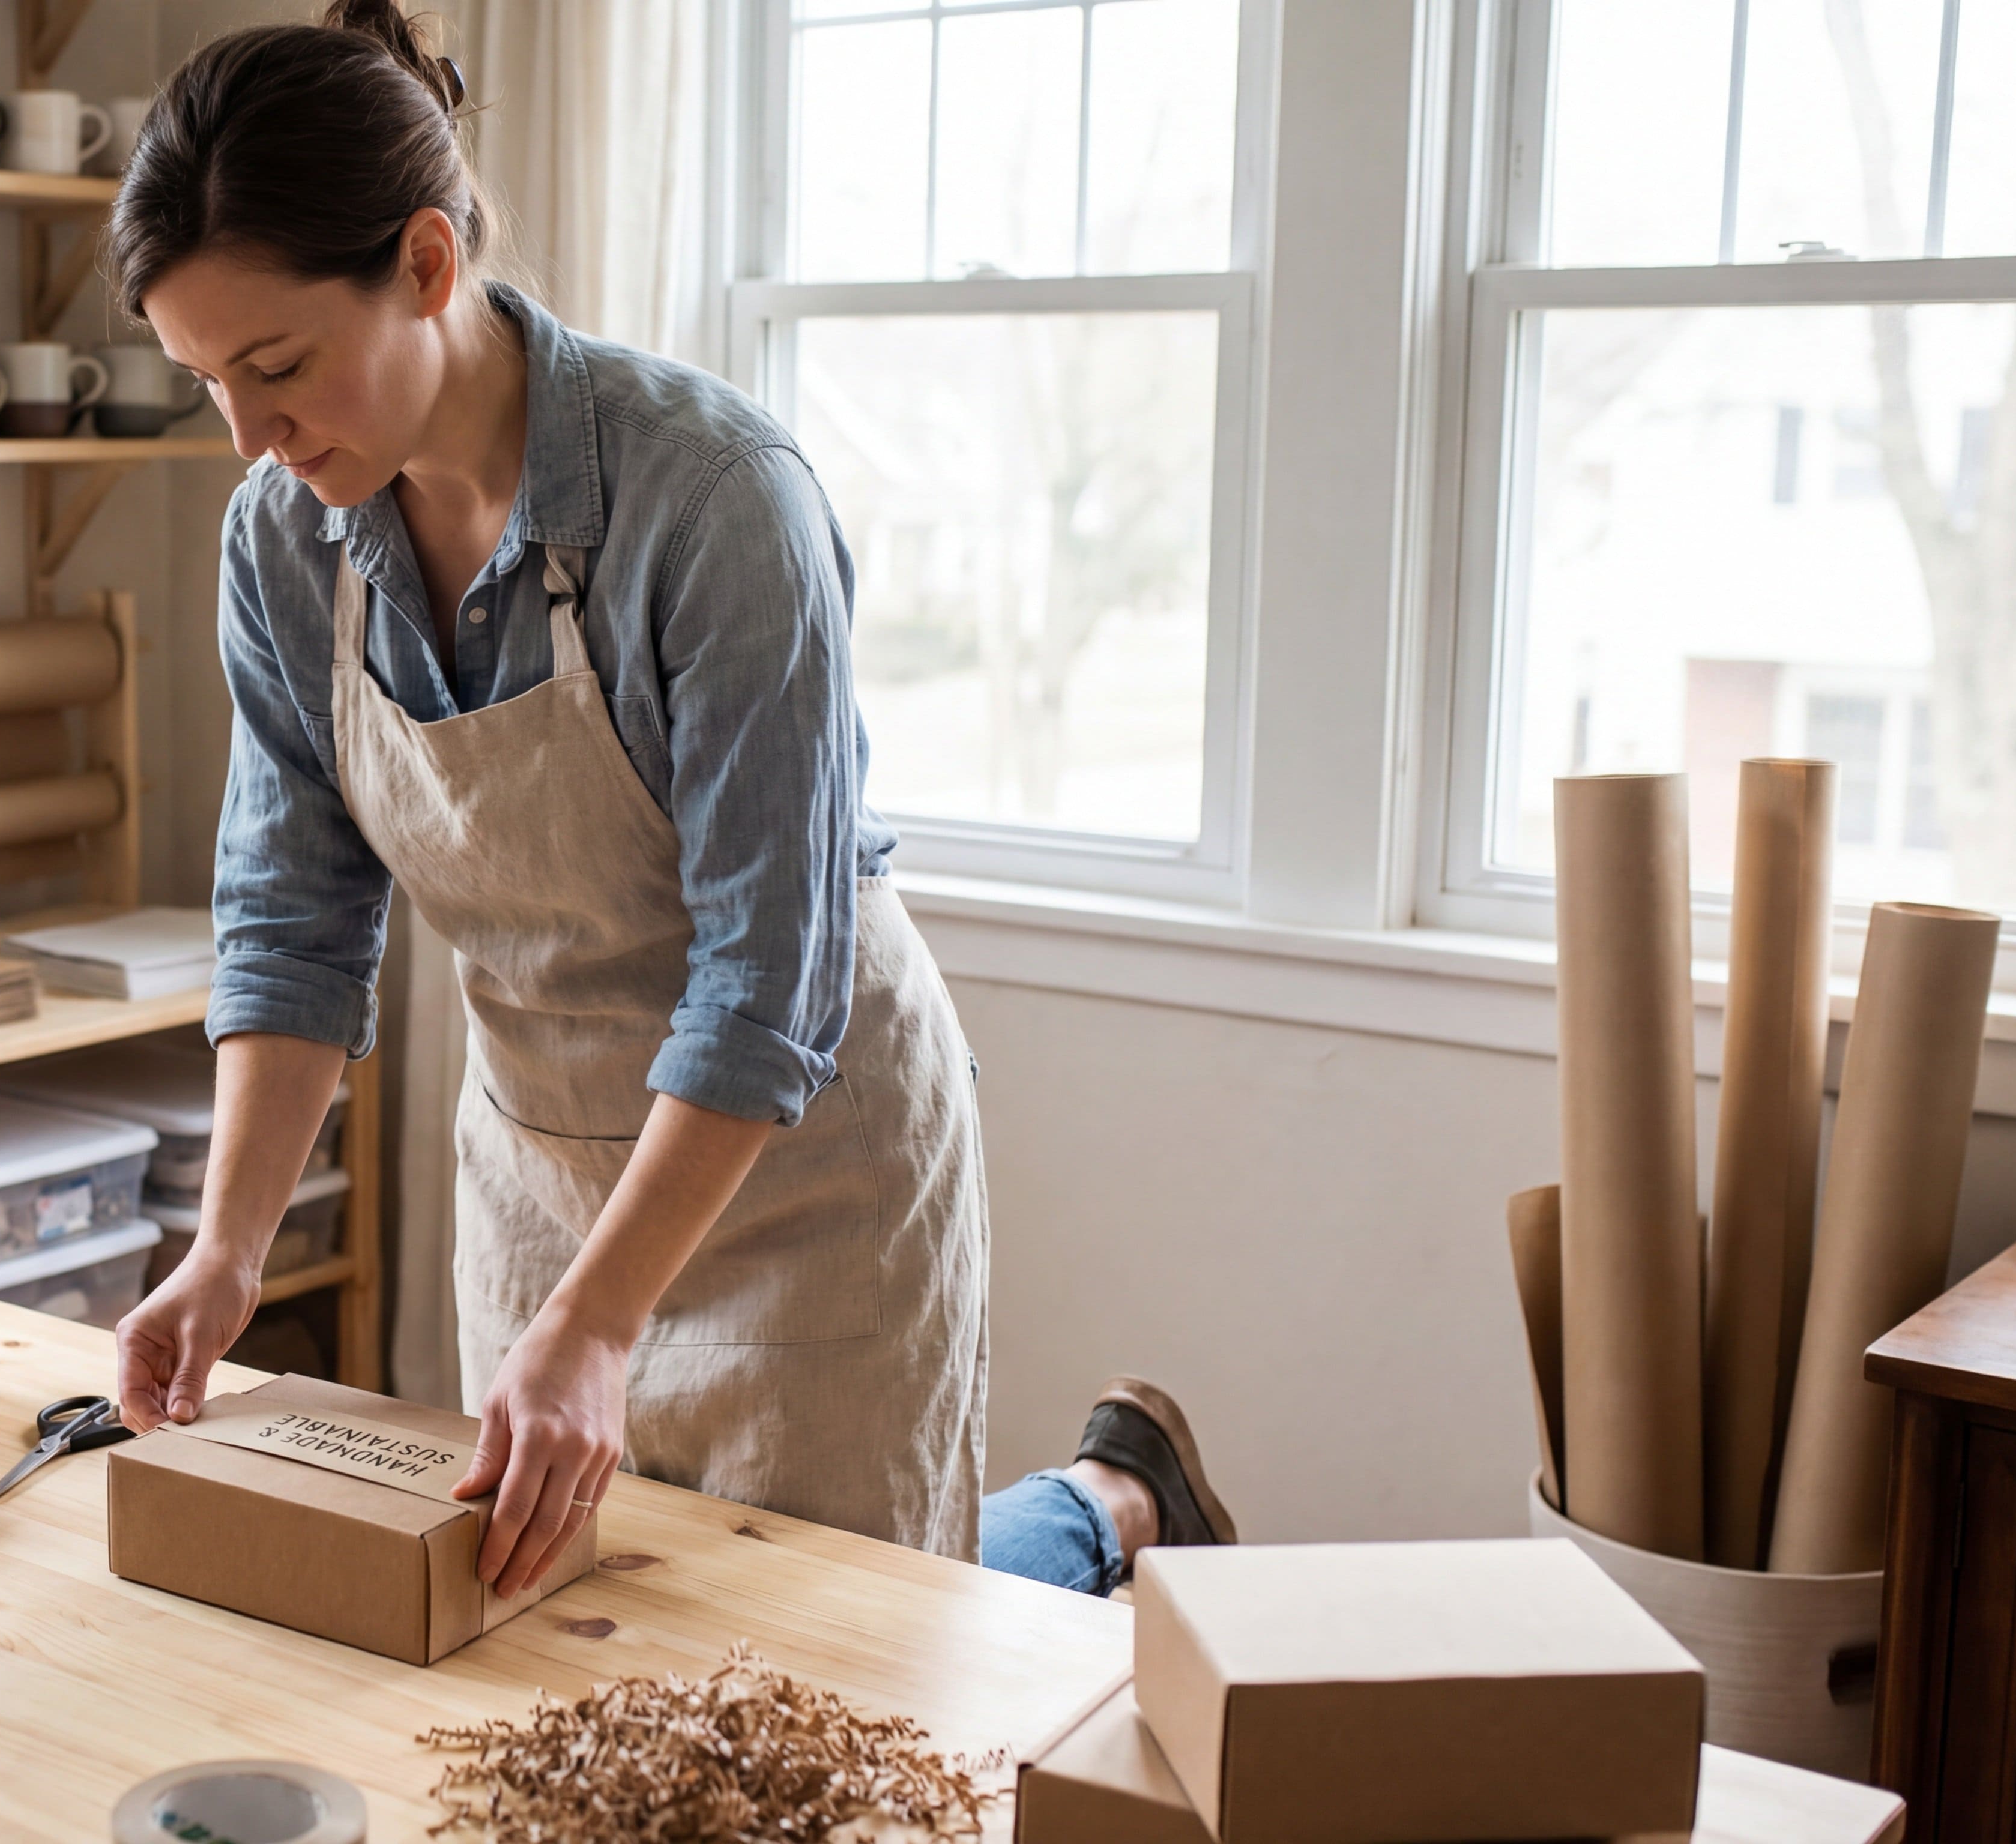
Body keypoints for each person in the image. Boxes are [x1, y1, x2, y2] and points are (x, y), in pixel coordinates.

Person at [104, 0, 1234, 1600]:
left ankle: (1111, 1506)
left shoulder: (711, 502)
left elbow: (765, 978)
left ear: (429, 264)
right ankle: (1114, 1493)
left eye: (277, 365)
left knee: (831, 1657)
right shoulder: (285, 543)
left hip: (798, 1158)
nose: (251, 435)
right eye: (207, 378)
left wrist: (600, 1319)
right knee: (574, 1636)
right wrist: (226, 1254)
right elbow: (294, 926)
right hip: (543, 1161)